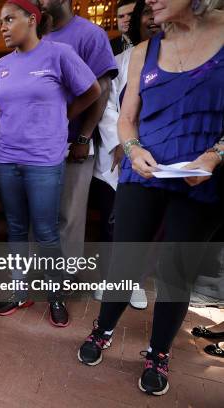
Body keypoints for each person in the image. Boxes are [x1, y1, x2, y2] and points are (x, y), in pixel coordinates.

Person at [77, 0, 223, 396]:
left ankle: (159, 353)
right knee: (126, 259)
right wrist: (134, 146)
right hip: (143, 172)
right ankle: (103, 328)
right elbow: (127, 118)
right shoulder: (145, 51)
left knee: (177, 271)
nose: (151, 2)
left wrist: (215, 155)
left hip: (201, 179)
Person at [0, 0, 101, 325]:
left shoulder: (59, 54)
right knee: (15, 228)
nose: (3, 27)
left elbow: (92, 91)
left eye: (9, 19)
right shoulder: (2, 65)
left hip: (43, 160)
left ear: (32, 19)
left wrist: (64, 115)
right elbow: (0, 108)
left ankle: (55, 295)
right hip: (7, 158)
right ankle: (18, 290)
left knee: (46, 231)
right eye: (1, 21)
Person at [93, 0, 161, 309]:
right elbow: (107, 107)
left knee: (147, 225)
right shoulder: (120, 60)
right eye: (144, 14)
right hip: (120, 155)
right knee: (114, 222)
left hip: (160, 156)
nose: (152, 19)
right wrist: (121, 146)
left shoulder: (179, 60)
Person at [41, 0, 118, 262]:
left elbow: (102, 89)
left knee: (70, 215)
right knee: (40, 212)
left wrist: (84, 137)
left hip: (73, 140)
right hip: (37, 145)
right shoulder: (36, 34)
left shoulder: (89, 34)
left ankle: (66, 277)